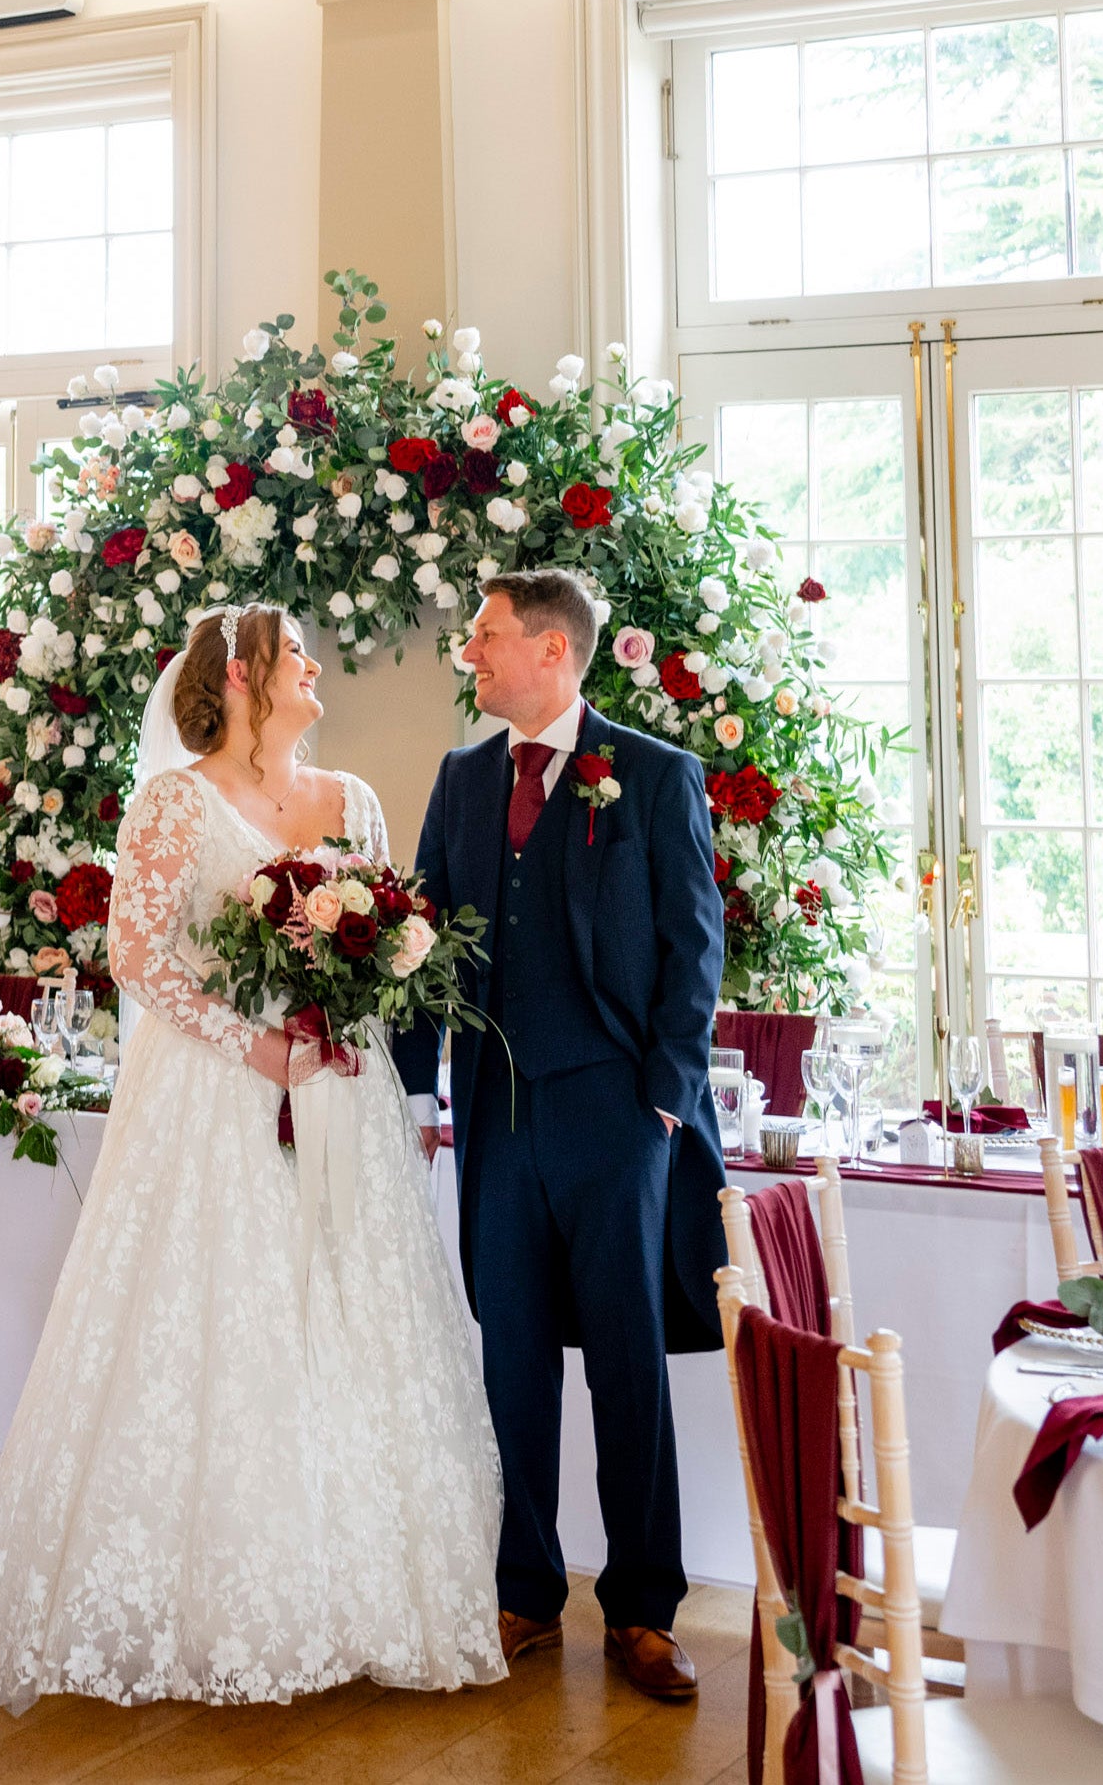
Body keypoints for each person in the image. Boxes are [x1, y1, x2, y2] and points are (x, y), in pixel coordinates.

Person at [0, 602, 504, 1709]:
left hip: (338, 1086)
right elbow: (137, 957)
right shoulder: (173, 801)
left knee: (344, 1314)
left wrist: (345, 1022)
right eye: (297, 657)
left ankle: (358, 1596)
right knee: (219, 1321)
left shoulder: (353, 801)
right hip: (217, 1098)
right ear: (242, 678)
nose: (316, 669)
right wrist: (255, 1045)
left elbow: (388, 941)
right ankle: (206, 1605)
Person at [394, 569, 725, 1704]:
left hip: (616, 1117)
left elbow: (694, 948)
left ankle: (642, 1607)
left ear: (551, 651)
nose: (470, 656)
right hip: (495, 1113)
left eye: (484, 638)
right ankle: (524, 1590)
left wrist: (664, 1104)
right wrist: (411, 1094)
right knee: (511, 1362)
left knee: (628, 1365)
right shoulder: (461, 776)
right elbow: (418, 940)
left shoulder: (654, 773)